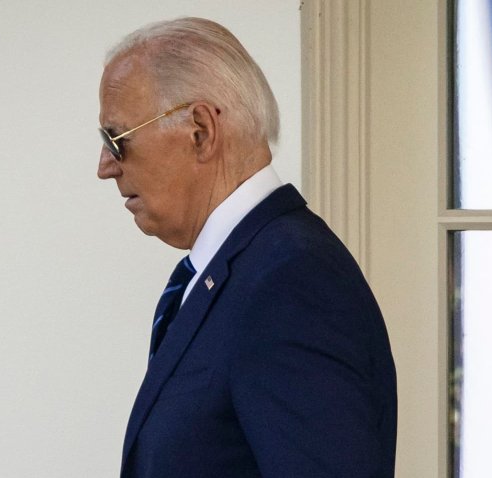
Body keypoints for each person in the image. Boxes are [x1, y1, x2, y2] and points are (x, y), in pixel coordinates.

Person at [96, 18, 397, 478]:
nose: (105, 167)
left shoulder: (291, 282)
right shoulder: (245, 270)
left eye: (116, 140)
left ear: (200, 130)